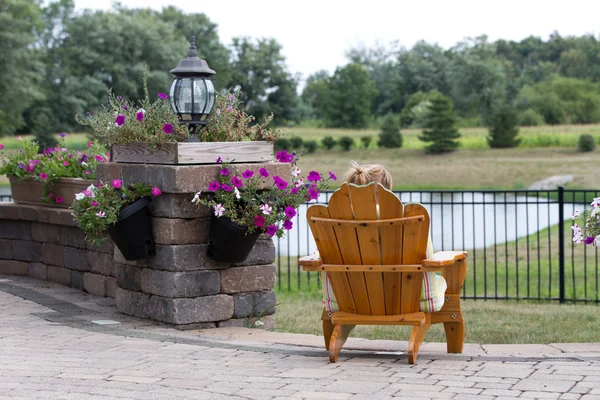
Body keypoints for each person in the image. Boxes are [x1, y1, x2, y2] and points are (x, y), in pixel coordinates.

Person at [321, 161, 447, 315]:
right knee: (446, 277)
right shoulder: (409, 219)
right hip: (406, 300)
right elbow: (427, 257)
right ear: (386, 191)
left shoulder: (334, 220)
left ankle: (338, 334)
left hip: (347, 301)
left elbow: (323, 255)